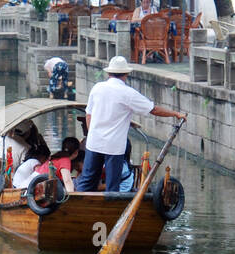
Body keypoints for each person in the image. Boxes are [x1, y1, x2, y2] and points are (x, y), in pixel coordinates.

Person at [76, 55, 185, 193]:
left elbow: (89, 114)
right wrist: (175, 114)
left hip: (94, 142)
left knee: (87, 181)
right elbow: (153, 109)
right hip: (113, 146)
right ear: (126, 74)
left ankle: (78, 206)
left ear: (109, 73)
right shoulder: (128, 93)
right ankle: (110, 211)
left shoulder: (97, 88)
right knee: (112, 186)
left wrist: (92, 134)